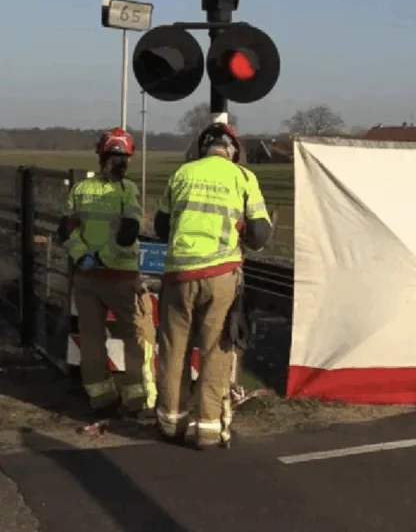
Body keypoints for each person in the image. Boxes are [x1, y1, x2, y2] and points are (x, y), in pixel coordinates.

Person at [153, 122, 272, 449]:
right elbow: (260, 236)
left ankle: (170, 423)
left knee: (173, 349)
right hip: (221, 275)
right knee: (214, 351)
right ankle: (207, 428)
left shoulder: (181, 174)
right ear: (233, 150)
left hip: (179, 276)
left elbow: (162, 227)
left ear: (202, 148)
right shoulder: (244, 178)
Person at [57, 127, 157, 419]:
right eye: (121, 157)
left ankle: (100, 397)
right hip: (121, 278)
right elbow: (128, 233)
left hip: (87, 278)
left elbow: (66, 231)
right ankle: (138, 399)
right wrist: (105, 257)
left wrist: (84, 256)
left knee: (91, 338)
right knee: (138, 336)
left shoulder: (81, 189)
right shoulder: (127, 191)